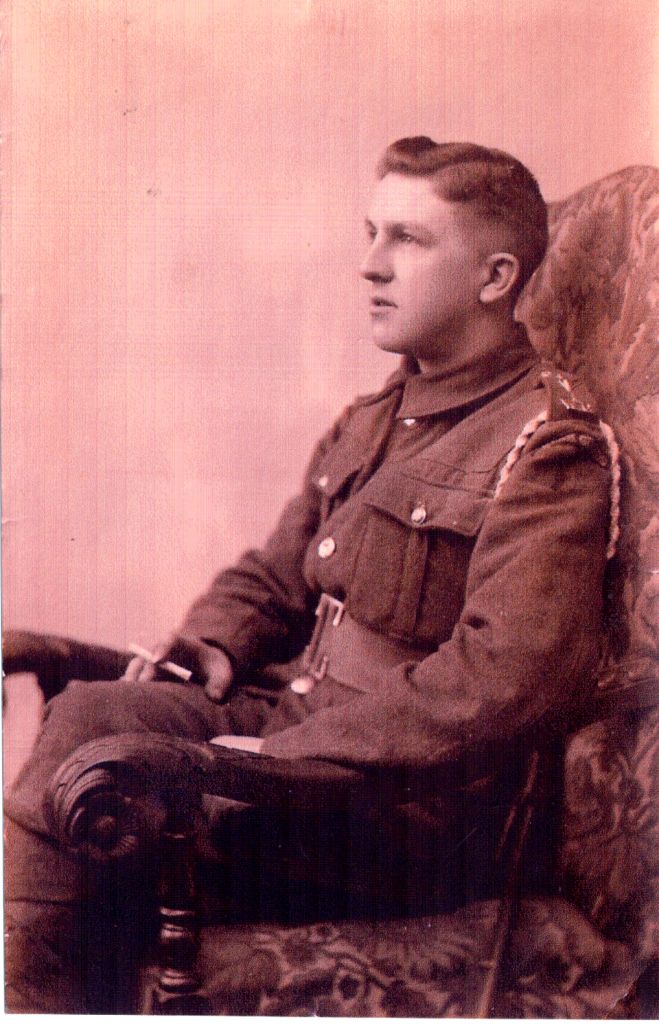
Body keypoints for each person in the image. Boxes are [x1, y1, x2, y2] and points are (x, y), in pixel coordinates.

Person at [4, 138, 615, 1013]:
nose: (370, 266)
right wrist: (212, 641)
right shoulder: (379, 416)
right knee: (94, 718)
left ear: (493, 277)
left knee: (114, 788)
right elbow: (276, 573)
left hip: (413, 812)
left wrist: (282, 755)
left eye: (405, 239)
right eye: (370, 232)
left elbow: (503, 680)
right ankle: (34, 998)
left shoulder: (545, 445)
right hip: (306, 739)